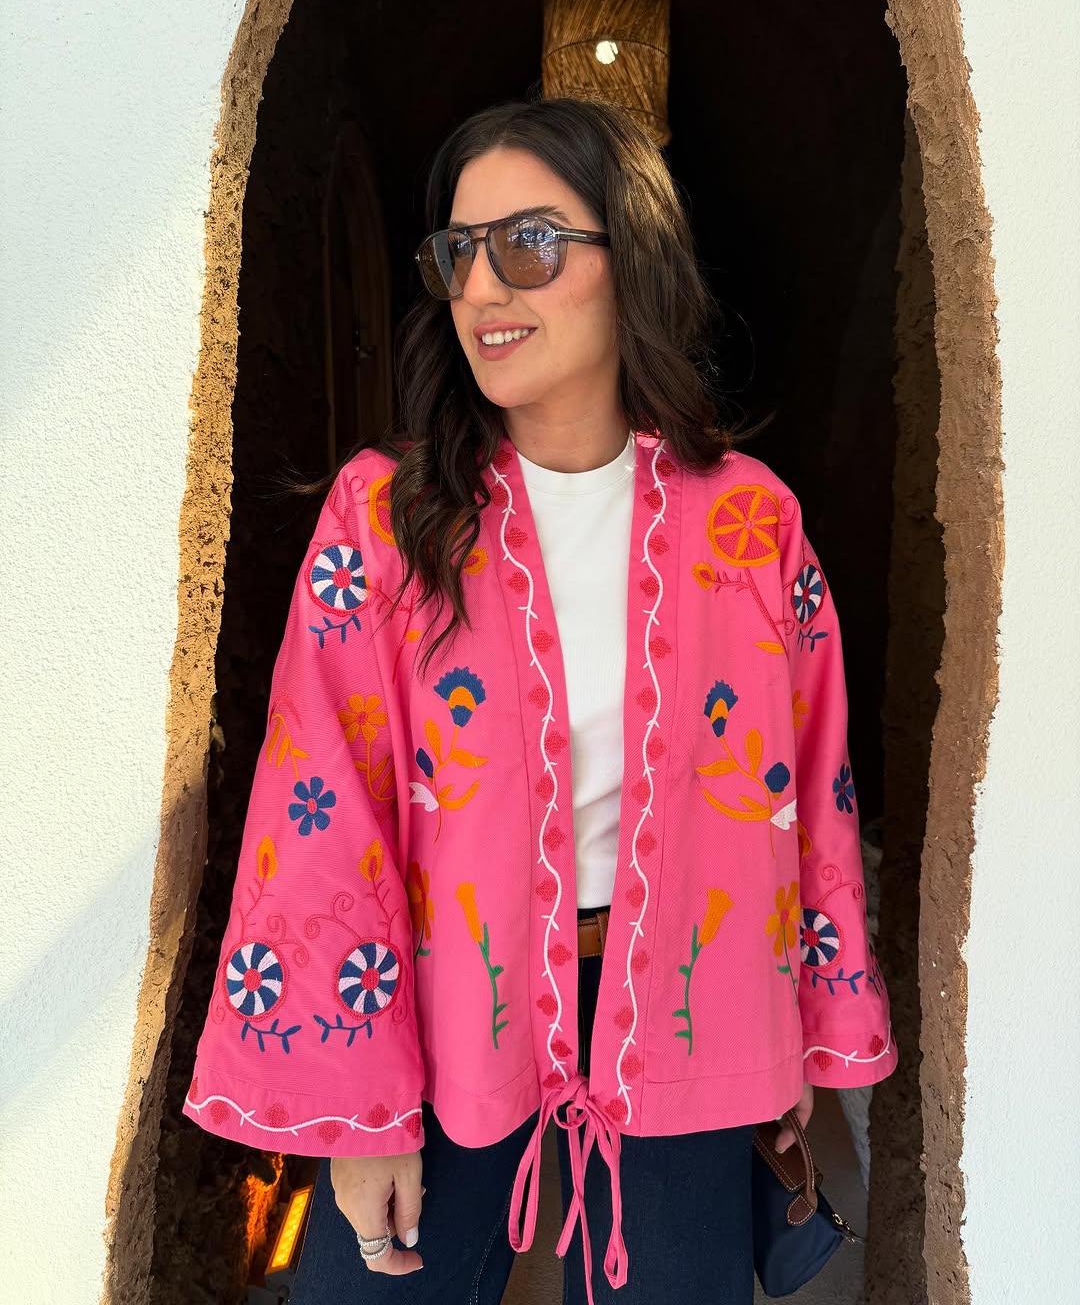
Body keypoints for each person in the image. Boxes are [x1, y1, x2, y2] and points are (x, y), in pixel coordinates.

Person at [182, 96, 897, 1304]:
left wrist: (785, 1038)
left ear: (635, 256)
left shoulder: (749, 521)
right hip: (440, 1003)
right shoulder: (388, 520)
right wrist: (359, 1112)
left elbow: (807, 793)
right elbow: (321, 809)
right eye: (458, 252)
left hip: (688, 1006)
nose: (482, 287)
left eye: (529, 244)